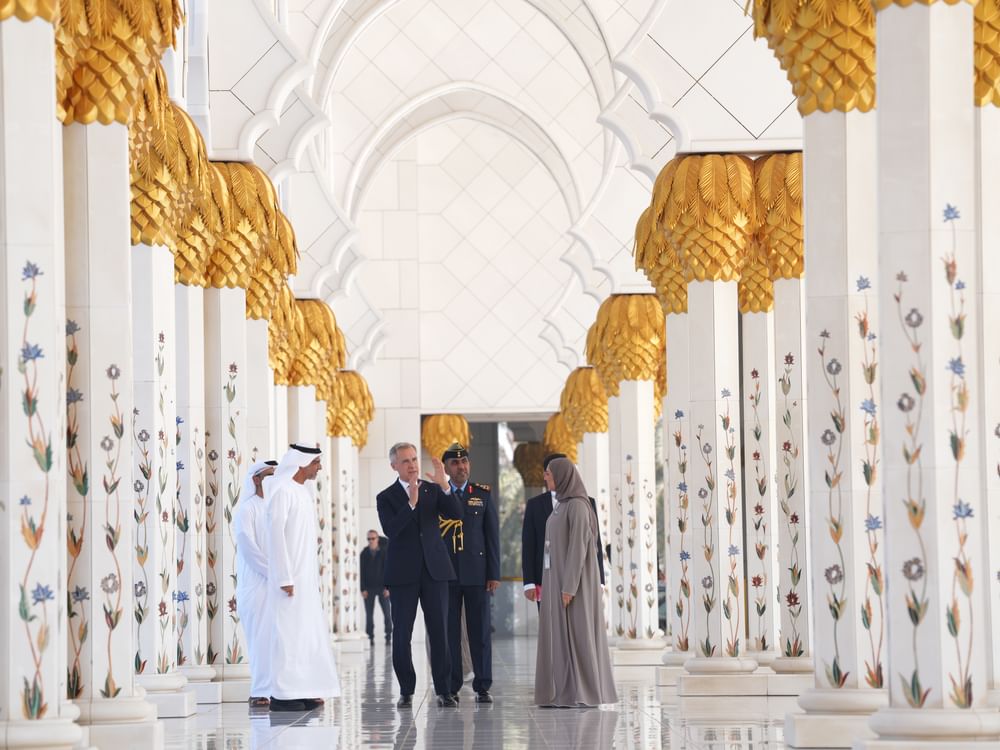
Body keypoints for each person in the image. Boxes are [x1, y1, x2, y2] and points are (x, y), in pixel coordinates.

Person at [376, 441, 463, 708]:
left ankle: (444, 690)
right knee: (402, 633)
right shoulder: (386, 497)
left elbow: (457, 514)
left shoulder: (433, 490)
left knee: (440, 632)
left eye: (414, 459)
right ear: (394, 466)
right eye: (406, 461)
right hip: (403, 575)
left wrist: (446, 486)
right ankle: (406, 689)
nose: (412, 465)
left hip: (435, 571)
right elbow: (391, 530)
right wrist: (411, 504)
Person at [263, 443, 340, 712]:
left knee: (304, 634)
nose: (319, 467)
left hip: (304, 579)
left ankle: (302, 689)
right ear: (301, 463)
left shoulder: (301, 492)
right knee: (287, 635)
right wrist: (284, 576)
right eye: (316, 462)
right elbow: (276, 534)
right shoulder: (282, 490)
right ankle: (282, 694)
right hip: (289, 579)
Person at [534, 457, 617, 707]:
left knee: (579, 636)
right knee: (560, 637)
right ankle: (565, 691)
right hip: (556, 580)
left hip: (575, 586)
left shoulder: (578, 507)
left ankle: (585, 692)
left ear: (562, 475)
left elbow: (579, 549)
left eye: (549, 473)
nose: (545, 477)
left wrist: (569, 586)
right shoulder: (561, 505)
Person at [438, 443, 499, 704]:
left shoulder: (482, 494)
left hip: (477, 573)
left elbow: (492, 537)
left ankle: (482, 685)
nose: (461, 467)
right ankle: (451, 685)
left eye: (464, 463)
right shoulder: (438, 494)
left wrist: (494, 574)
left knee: (480, 631)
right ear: (447, 468)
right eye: (455, 464)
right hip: (447, 574)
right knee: (449, 632)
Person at [521, 453, 605, 607]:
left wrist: (599, 581)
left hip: (578, 580)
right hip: (545, 578)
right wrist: (529, 582)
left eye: (548, 473)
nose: (545, 478)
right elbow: (529, 545)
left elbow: (594, 544)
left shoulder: (585, 503)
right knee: (550, 626)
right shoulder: (535, 504)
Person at [233, 459, 277, 707]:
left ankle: (277, 690)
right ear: (257, 479)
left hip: (276, 584)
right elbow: (249, 547)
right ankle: (260, 691)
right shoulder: (247, 509)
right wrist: (273, 572)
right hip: (257, 585)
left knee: (276, 638)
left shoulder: (273, 506)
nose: (273, 479)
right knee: (259, 638)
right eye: (269, 475)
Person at [360, 530, 391, 645]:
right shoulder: (363, 554)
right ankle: (370, 637)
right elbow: (361, 572)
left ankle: (388, 636)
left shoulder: (384, 552)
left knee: (387, 614)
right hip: (369, 589)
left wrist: (388, 588)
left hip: (383, 588)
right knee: (369, 615)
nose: (371, 541)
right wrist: (362, 589)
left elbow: (388, 570)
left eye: (373, 538)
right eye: (369, 539)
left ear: (378, 539)